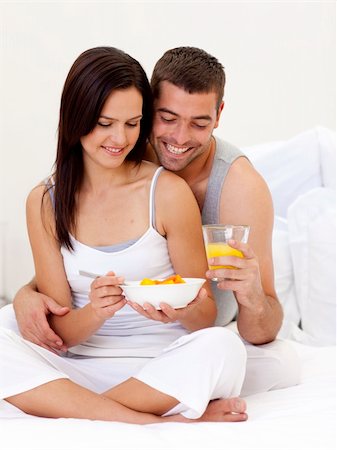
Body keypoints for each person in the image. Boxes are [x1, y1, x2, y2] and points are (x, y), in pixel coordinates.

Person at [5, 46, 300, 397]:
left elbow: (241, 322)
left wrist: (249, 295)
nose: (178, 138)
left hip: (181, 344)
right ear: (150, 110)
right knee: (6, 322)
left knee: (257, 355)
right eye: (168, 118)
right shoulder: (110, 157)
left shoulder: (235, 189)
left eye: (199, 122)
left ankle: (78, 403)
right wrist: (26, 293)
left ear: (218, 115)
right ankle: (142, 410)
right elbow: (68, 282)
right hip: (89, 351)